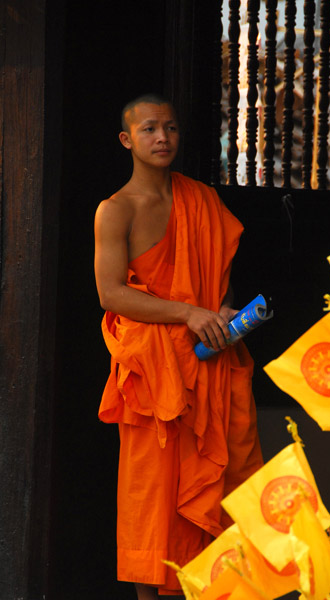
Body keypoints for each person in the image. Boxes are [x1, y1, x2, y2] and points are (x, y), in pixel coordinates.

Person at [94, 94, 263, 599]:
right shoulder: (115, 210)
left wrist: (222, 313)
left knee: (220, 486)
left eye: (169, 128)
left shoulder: (203, 200)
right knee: (154, 498)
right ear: (128, 140)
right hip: (154, 375)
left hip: (209, 362)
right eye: (148, 129)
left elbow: (217, 282)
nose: (162, 138)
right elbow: (112, 294)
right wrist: (188, 313)